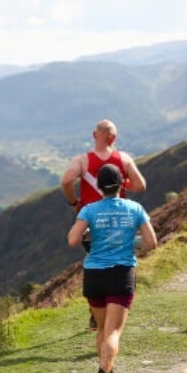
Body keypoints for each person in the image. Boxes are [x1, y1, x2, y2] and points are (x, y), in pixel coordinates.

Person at [67, 163, 157, 373]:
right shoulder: (135, 208)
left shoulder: (89, 210)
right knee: (113, 332)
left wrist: (94, 236)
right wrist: (130, 239)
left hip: (94, 274)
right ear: (122, 184)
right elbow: (152, 243)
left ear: (98, 186)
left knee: (102, 330)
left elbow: (73, 240)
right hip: (121, 273)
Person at [61, 119, 147, 330]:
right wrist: (120, 182)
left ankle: (97, 309)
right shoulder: (123, 159)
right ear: (114, 138)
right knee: (119, 260)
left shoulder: (82, 160)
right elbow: (140, 185)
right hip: (120, 223)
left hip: (92, 225)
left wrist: (75, 202)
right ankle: (113, 307)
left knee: (96, 259)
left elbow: (66, 181)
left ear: (94, 135)